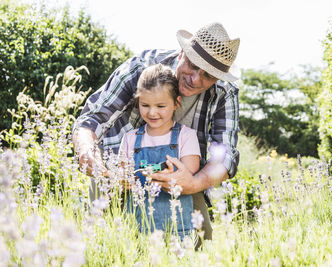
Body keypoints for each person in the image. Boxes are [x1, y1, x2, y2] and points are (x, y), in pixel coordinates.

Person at [72, 22, 241, 240]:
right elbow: (92, 118)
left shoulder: (225, 92)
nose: (195, 79)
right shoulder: (142, 68)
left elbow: (226, 154)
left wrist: (194, 183)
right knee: (101, 239)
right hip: (119, 174)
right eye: (192, 65)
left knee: (200, 240)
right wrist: (87, 153)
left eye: (208, 75)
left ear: (218, 77)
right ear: (183, 53)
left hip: (184, 181)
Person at [119, 63, 200, 236]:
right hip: (137, 227)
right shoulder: (130, 138)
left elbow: (189, 175)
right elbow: (120, 175)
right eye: (145, 105)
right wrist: (122, 180)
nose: (152, 113)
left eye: (160, 106)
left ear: (176, 103)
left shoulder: (186, 136)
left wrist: (166, 176)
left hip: (177, 230)